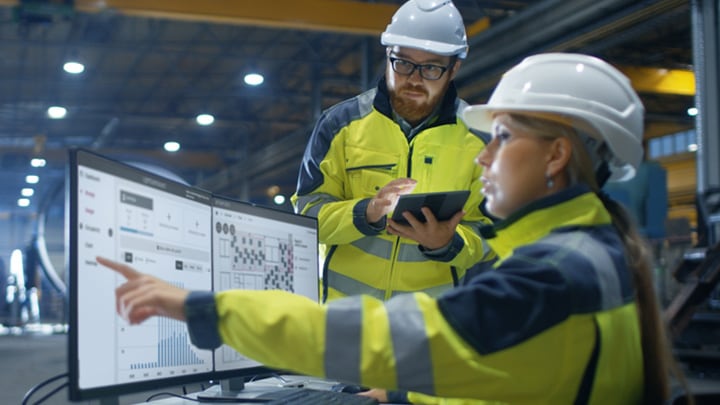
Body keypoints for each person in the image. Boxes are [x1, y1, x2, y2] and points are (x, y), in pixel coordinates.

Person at [97, 53, 691, 404]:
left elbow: (389, 336)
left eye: (503, 138)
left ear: (557, 156)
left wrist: (204, 308)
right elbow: (508, 374)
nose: (483, 158)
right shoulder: (582, 252)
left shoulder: (555, 274)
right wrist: (403, 393)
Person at [290, 0, 495, 303]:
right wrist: (366, 213)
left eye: (431, 68)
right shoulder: (340, 125)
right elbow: (306, 217)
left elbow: (494, 232)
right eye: (403, 63)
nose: (414, 78)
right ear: (388, 56)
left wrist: (448, 242)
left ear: (454, 69)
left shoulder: (480, 139)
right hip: (343, 317)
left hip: (427, 326)